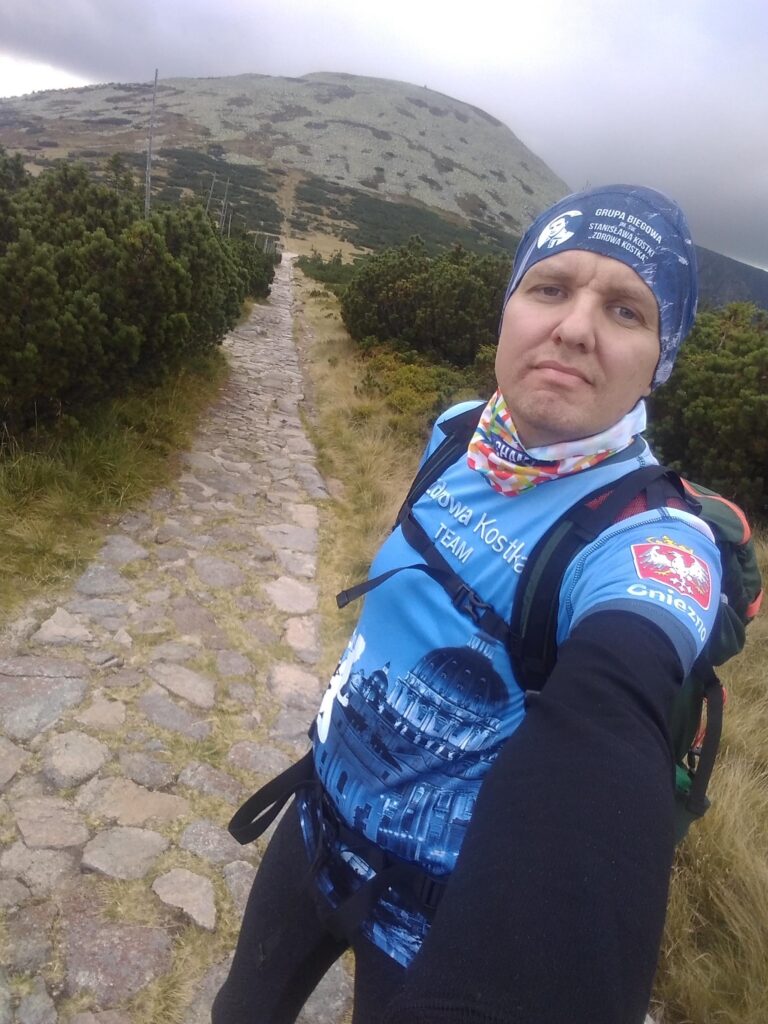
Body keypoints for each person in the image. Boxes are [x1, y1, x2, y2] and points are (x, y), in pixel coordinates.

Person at [212, 185, 722, 1024]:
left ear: (660, 361)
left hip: (433, 926)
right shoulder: (456, 431)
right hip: (315, 824)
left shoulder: (652, 544)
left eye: (626, 310)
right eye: (550, 288)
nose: (575, 327)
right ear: (509, 307)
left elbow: (610, 718)